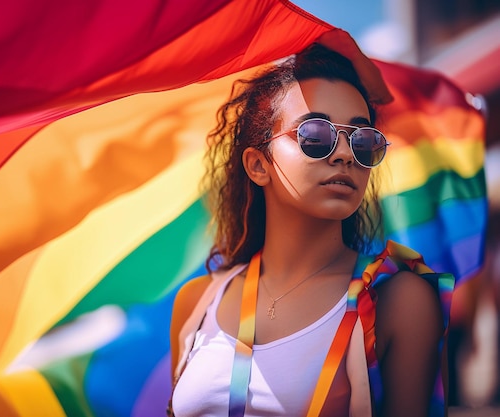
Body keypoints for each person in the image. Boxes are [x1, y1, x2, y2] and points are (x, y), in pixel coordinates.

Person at [168, 35, 449, 417]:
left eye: (363, 141)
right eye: (315, 135)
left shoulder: (398, 300)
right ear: (258, 165)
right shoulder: (197, 303)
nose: (346, 154)